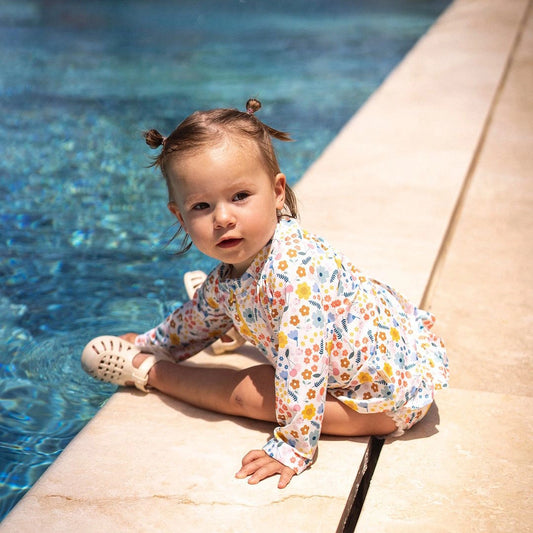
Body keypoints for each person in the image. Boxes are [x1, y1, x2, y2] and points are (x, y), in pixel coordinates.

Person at [82, 98, 448, 489]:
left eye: (240, 196)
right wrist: (152, 340)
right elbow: (195, 318)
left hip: (385, 402)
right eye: (202, 206)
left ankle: (152, 372)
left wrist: (293, 445)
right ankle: (235, 321)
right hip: (358, 346)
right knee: (213, 303)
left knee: (251, 389)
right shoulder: (236, 270)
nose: (223, 217)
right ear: (181, 217)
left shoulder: (293, 278)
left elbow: (302, 372)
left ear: (277, 192)